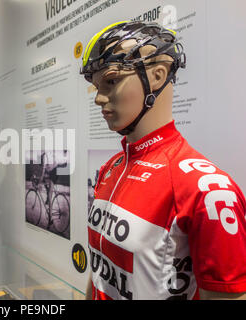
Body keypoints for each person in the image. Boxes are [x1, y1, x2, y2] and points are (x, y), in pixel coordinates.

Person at [81, 21, 246, 300]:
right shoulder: (112, 168)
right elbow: (100, 268)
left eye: (110, 80)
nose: (98, 98)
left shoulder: (208, 190)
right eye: (97, 87)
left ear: (157, 76)